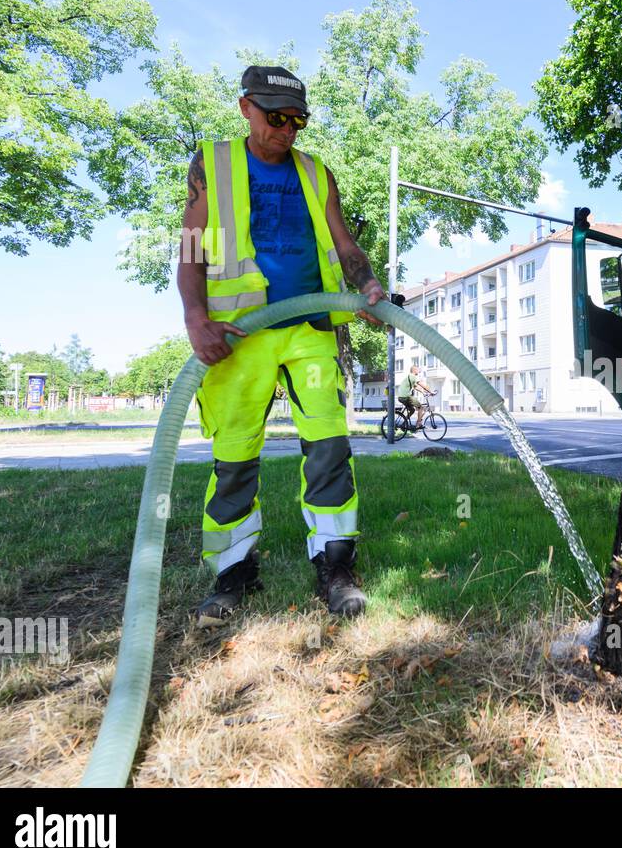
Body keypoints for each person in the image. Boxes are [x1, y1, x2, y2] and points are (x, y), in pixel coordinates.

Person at [179, 65, 388, 627]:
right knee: (234, 457)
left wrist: (366, 284)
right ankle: (234, 572)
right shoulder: (212, 165)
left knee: (328, 447)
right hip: (238, 336)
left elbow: (346, 246)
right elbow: (191, 249)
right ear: (246, 107)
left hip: (310, 329)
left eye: (297, 120)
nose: (286, 130)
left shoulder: (317, 173)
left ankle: (336, 564)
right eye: (275, 117)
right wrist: (195, 316)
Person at [396, 364, 433, 431]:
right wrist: (430, 392)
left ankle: (403, 424)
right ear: (414, 370)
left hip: (401, 397)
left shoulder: (409, 377)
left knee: (412, 410)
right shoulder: (413, 376)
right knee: (421, 408)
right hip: (406, 396)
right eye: (418, 370)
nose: (419, 371)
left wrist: (423, 392)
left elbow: (416, 387)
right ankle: (419, 424)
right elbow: (422, 385)